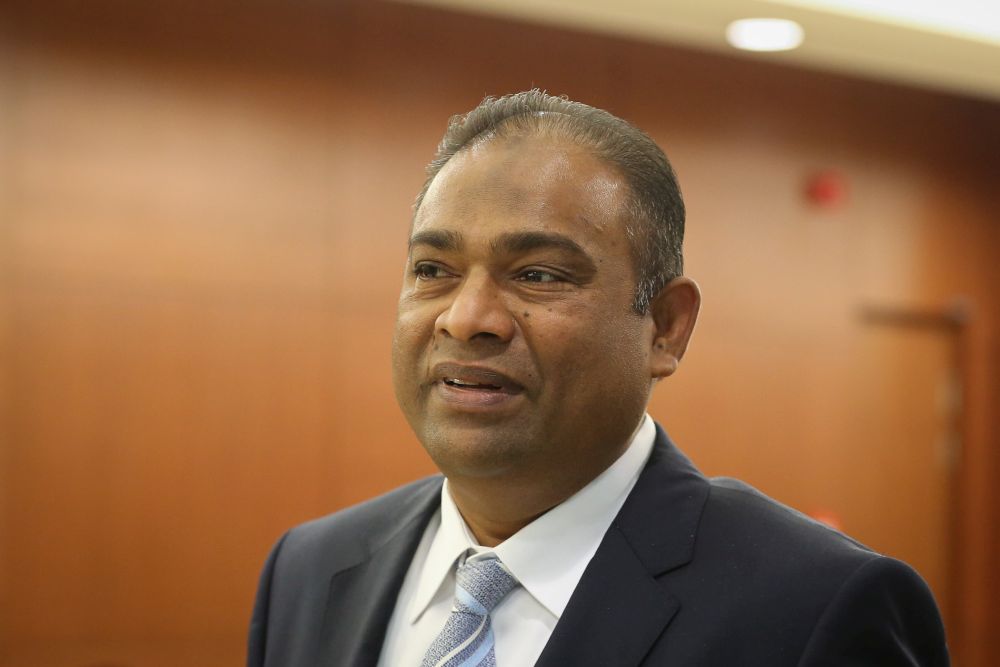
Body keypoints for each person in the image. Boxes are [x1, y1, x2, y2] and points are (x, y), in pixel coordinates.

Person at [247, 90, 949, 666]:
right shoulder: (309, 572)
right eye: (434, 270)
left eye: (539, 274)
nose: (467, 318)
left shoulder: (814, 610)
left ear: (666, 327)